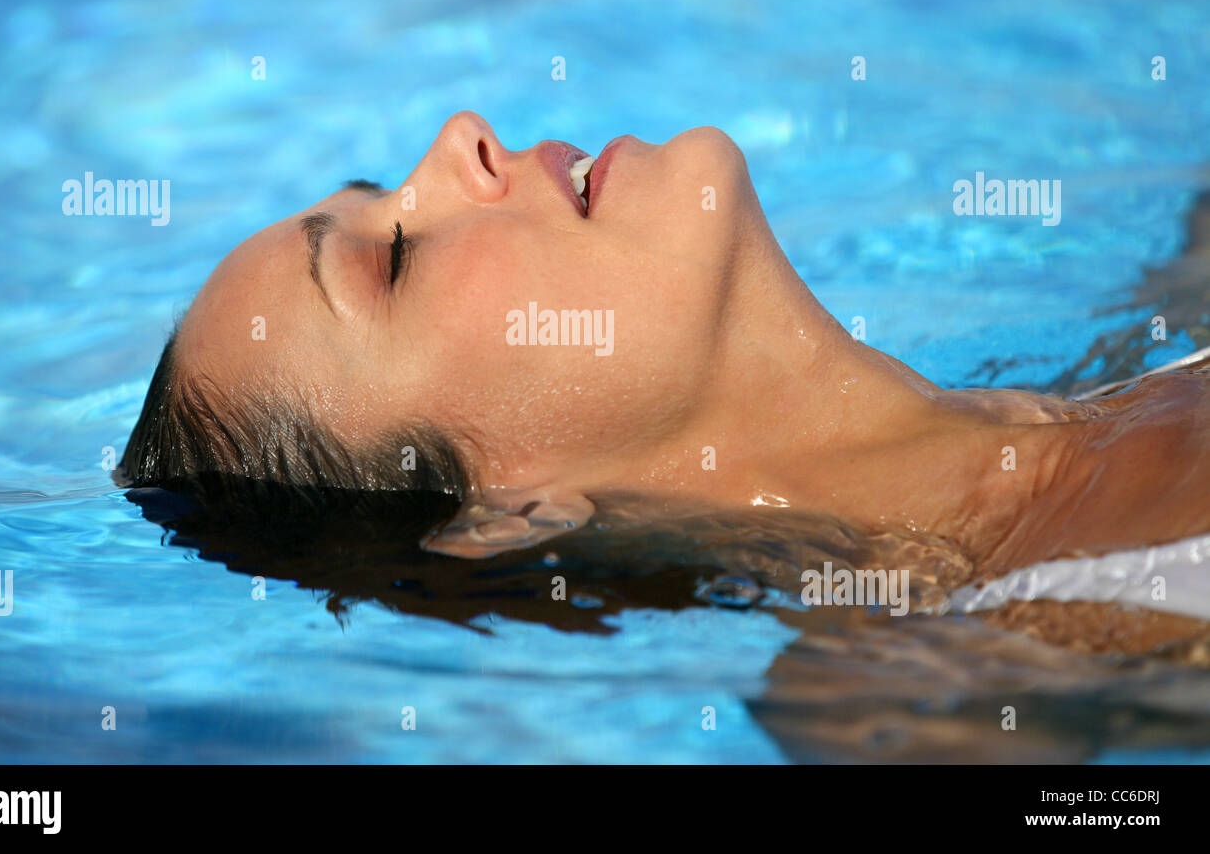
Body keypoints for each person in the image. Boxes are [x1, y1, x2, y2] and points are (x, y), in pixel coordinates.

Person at [118, 112, 1210, 583]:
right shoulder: (950, 677)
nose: (462, 134)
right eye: (391, 259)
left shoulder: (1152, 346)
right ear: (508, 509)